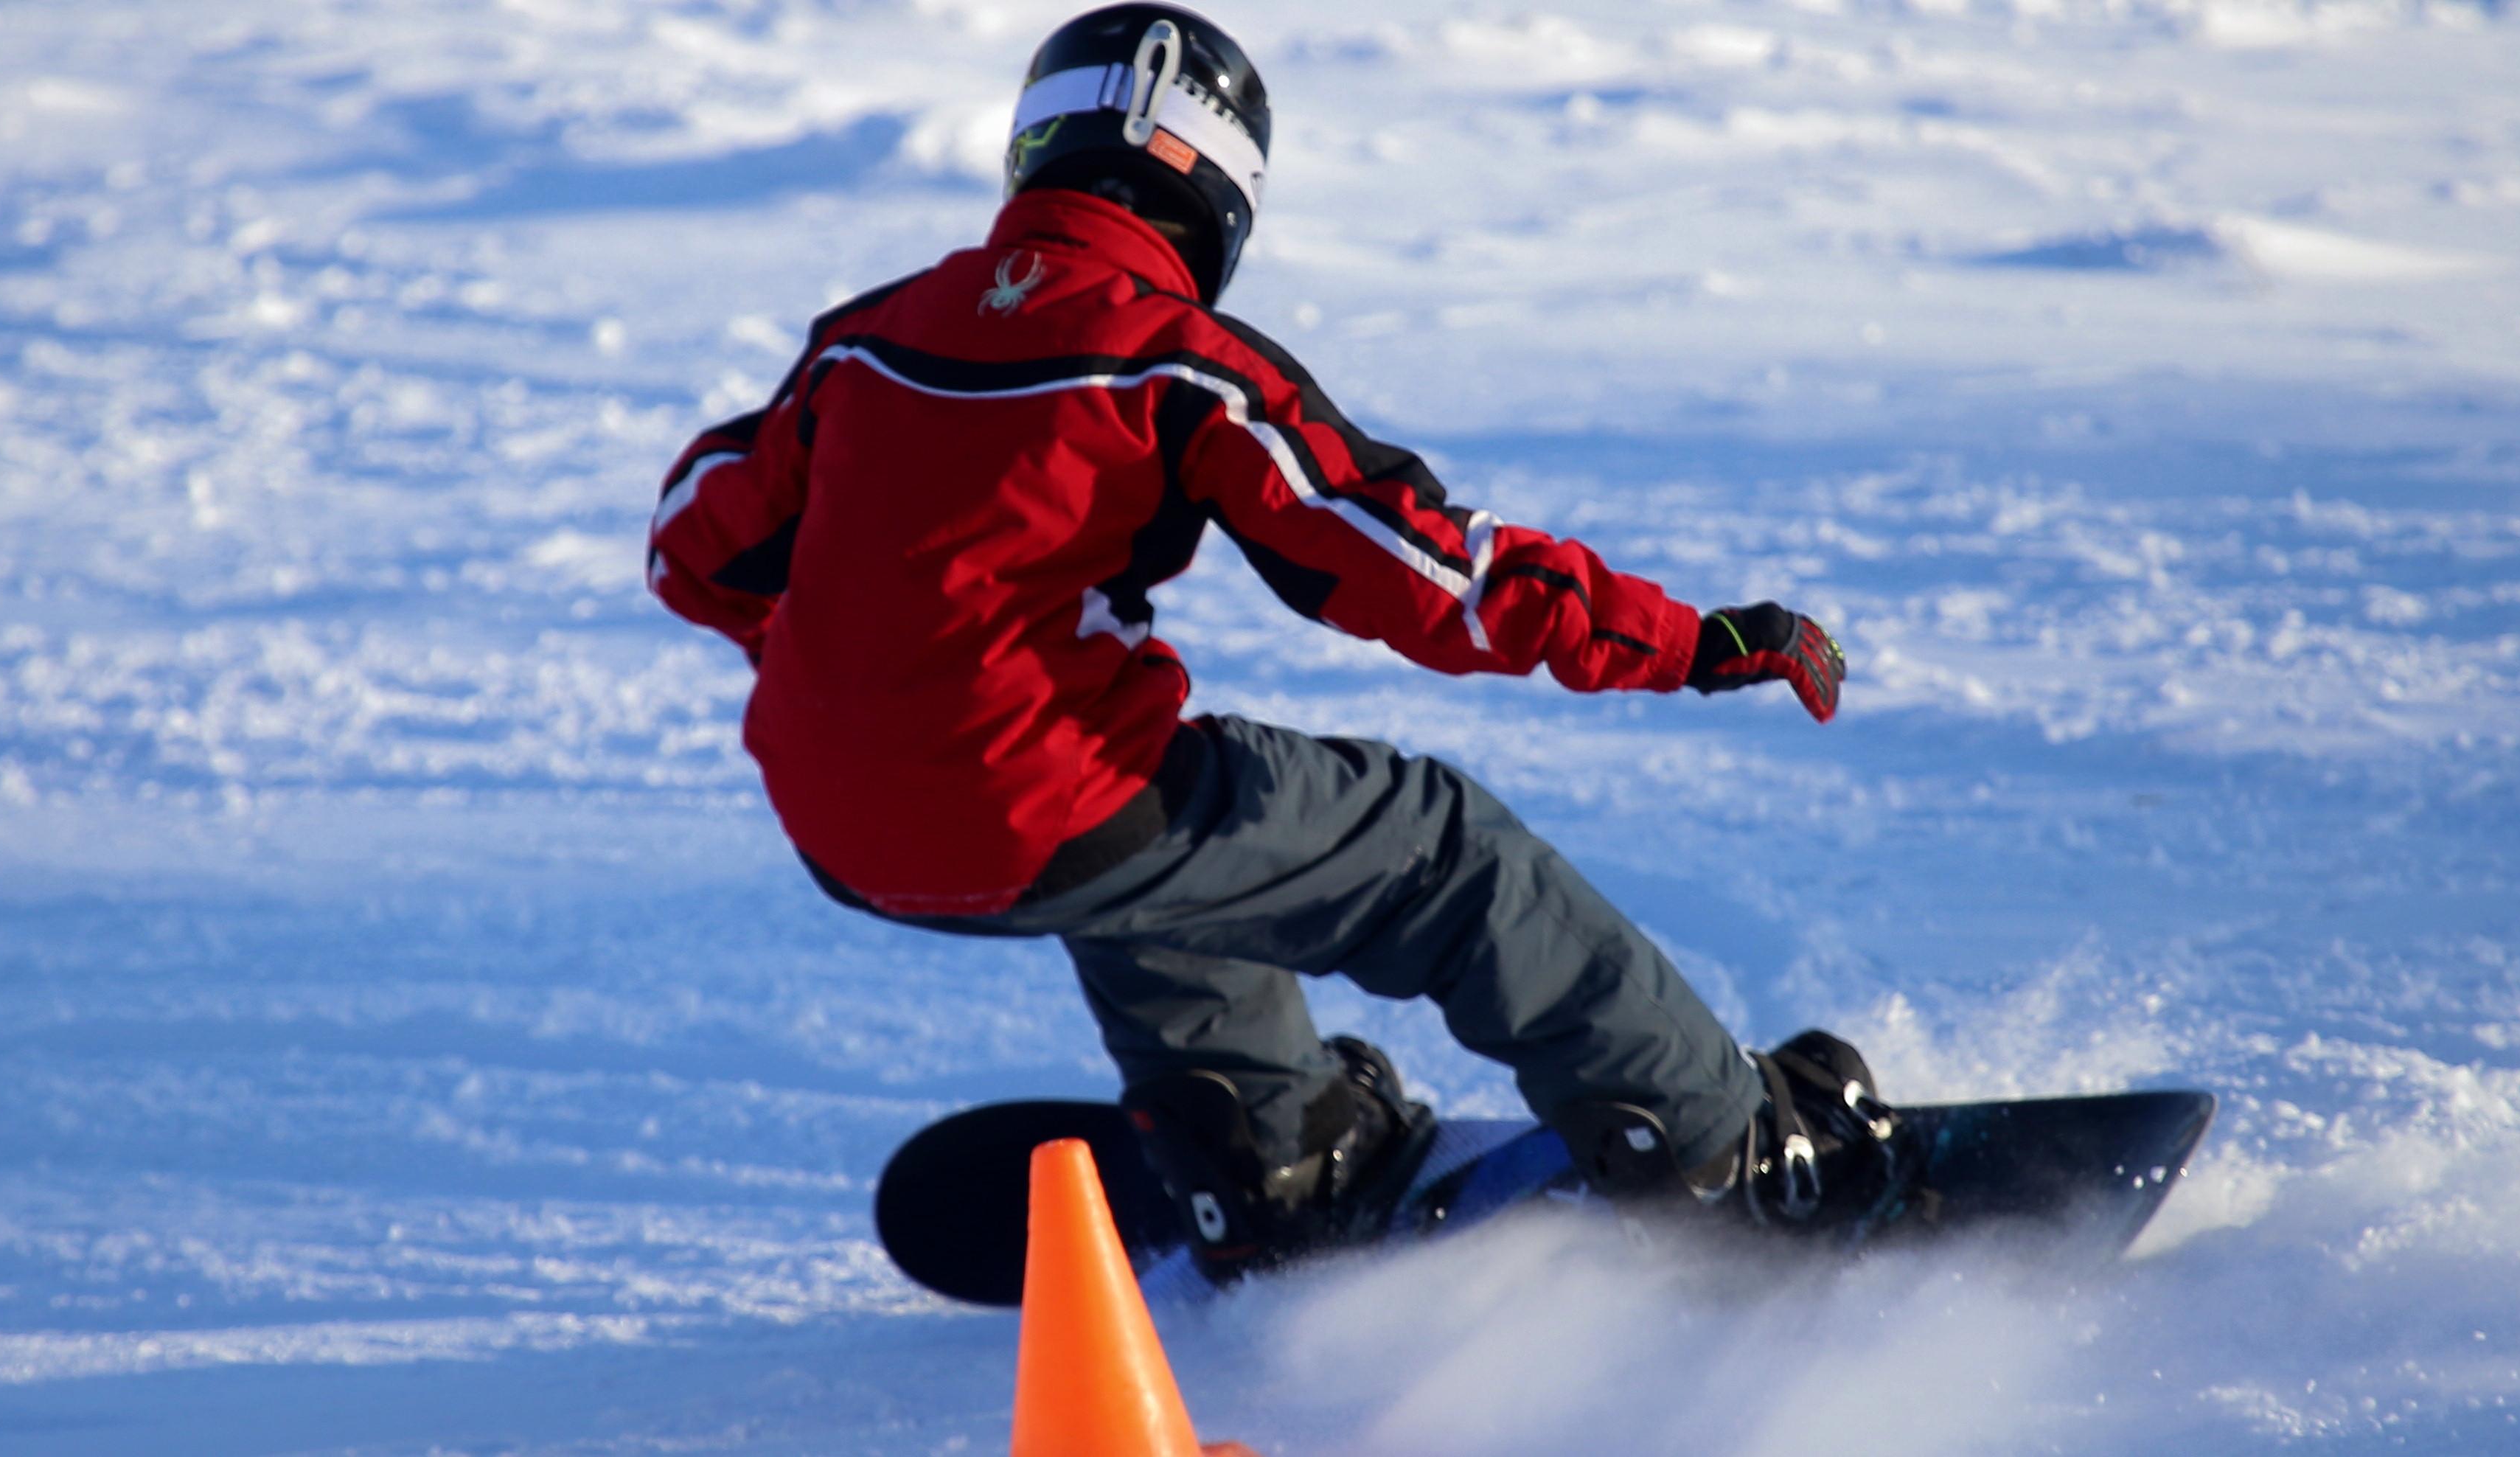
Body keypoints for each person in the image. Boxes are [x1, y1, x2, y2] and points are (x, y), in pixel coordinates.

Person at [645, 2, 1894, 1281]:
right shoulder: (1178, 361)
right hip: (1033, 797)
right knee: (1447, 849)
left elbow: (690, 542)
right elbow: (1424, 574)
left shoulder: (864, 342)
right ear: (1223, 191)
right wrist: (1695, 640)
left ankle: (1269, 1150)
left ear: (1035, 149)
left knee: (1164, 812)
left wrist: (868, 676)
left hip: (836, 822)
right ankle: (1727, 1155)